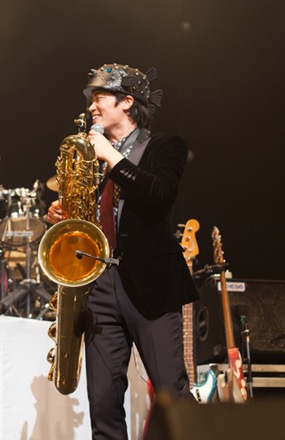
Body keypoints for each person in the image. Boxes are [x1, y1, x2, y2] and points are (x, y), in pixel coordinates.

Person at [46, 64, 198, 439]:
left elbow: (158, 193)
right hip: (98, 285)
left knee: (172, 396)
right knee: (103, 404)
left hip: (150, 285)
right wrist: (64, 215)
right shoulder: (90, 157)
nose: (91, 107)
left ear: (127, 102)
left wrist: (112, 158)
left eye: (99, 98)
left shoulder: (165, 146)